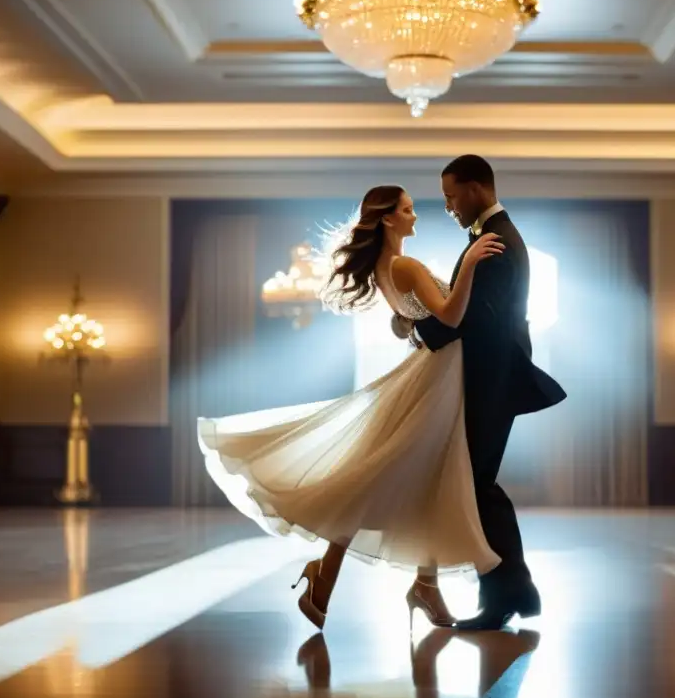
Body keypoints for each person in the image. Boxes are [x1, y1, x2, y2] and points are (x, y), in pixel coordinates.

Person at [197, 183, 509, 630]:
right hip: (436, 380)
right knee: (399, 479)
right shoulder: (405, 264)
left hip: (433, 374)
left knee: (422, 481)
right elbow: (452, 316)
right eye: (407, 209)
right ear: (387, 218)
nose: (415, 215)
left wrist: (412, 322)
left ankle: (415, 584)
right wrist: (472, 266)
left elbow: (409, 325)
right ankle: (348, 579)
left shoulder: (387, 266)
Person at [396, 154, 566, 630]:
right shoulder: (491, 237)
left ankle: (509, 593)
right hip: (492, 378)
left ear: (475, 189)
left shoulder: (494, 242)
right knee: (478, 486)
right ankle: (514, 590)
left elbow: (478, 320)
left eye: (451, 196)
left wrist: (419, 334)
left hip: (491, 381)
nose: (448, 206)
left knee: (477, 487)